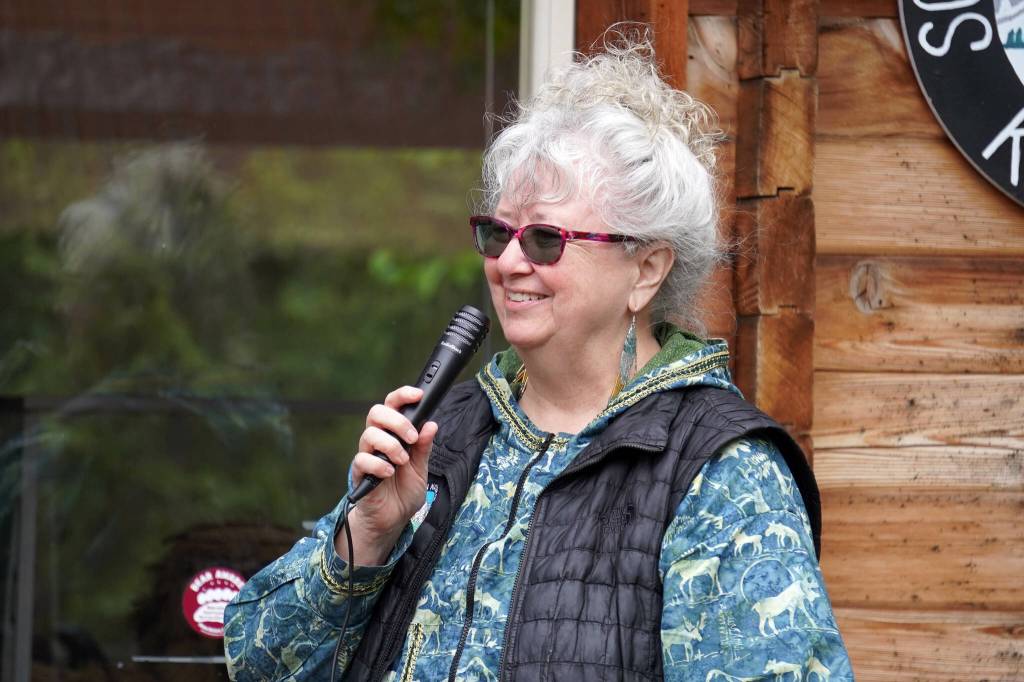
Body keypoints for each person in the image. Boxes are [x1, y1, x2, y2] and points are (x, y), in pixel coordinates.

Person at [224, 31, 853, 681]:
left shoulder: (720, 472)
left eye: (547, 239)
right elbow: (257, 664)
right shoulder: (448, 432)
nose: (508, 261)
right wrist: (368, 535)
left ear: (646, 269)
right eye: (498, 233)